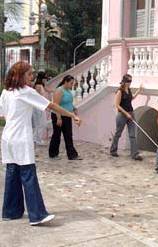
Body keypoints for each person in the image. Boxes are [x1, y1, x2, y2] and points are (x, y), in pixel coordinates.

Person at [0, 61, 81, 225]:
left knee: (12, 173)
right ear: (20, 75)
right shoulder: (26, 92)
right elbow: (50, 105)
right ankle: (37, 215)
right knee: (28, 174)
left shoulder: (6, 92)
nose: (32, 77)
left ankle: (10, 211)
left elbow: (4, 115)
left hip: (7, 137)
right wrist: (72, 115)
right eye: (29, 74)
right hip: (21, 138)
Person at [110, 74, 143, 161]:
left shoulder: (129, 90)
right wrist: (126, 113)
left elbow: (131, 99)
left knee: (132, 135)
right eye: (128, 81)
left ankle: (135, 154)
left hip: (131, 113)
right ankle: (113, 150)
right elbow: (117, 105)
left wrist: (139, 91)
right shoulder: (120, 91)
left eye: (130, 81)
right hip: (122, 115)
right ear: (124, 81)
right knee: (118, 133)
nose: (129, 83)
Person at [49, 75, 82, 160]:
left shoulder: (68, 91)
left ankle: (72, 155)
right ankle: (53, 154)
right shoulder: (59, 91)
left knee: (68, 135)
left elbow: (68, 102)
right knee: (57, 135)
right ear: (65, 82)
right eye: (71, 83)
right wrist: (58, 118)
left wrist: (73, 108)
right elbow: (55, 105)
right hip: (58, 115)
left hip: (67, 115)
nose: (72, 85)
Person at [32, 73, 49, 145]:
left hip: (41, 106)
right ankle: (36, 139)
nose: (46, 80)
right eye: (45, 78)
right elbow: (38, 96)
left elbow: (47, 90)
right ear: (42, 78)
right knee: (40, 123)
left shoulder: (41, 85)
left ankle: (36, 138)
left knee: (42, 123)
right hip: (38, 107)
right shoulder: (38, 86)